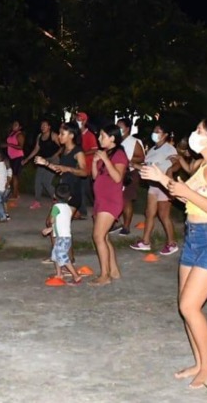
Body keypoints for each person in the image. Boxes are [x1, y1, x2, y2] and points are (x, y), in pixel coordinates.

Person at [141, 117, 207, 389]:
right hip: (194, 238)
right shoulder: (199, 165)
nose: (194, 134)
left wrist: (188, 193)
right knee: (185, 305)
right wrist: (162, 178)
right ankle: (198, 361)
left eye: (199, 131)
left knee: (189, 305)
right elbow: (185, 198)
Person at [37, 121, 87, 264]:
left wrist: (69, 169)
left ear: (71, 135)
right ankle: (57, 256)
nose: (59, 136)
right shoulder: (64, 151)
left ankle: (68, 259)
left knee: (61, 227)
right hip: (63, 193)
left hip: (72, 195)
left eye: (62, 133)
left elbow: (84, 172)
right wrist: (45, 163)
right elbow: (60, 168)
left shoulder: (78, 152)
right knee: (50, 222)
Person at [131, 123, 179, 255]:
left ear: (165, 135)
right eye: (154, 131)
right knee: (149, 213)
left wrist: (170, 171)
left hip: (164, 186)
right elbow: (147, 168)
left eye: (158, 131)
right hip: (153, 185)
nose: (155, 133)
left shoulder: (170, 149)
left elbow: (177, 164)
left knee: (164, 215)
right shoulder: (152, 150)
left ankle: (172, 243)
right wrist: (134, 165)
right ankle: (145, 242)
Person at [89, 124, 128, 286]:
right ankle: (113, 270)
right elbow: (95, 177)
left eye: (102, 136)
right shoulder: (105, 154)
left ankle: (105, 275)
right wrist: (95, 162)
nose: (99, 139)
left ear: (112, 138)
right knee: (104, 236)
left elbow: (118, 177)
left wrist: (105, 160)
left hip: (111, 200)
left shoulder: (119, 154)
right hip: (100, 200)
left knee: (97, 236)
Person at [41, 184, 82, 285]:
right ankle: (59, 274)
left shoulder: (56, 207)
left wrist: (50, 225)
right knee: (55, 255)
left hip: (62, 237)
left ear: (54, 195)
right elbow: (61, 222)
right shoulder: (68, 208)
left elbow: (52, 220)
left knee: (61, 255)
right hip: (65, 236)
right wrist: (50, 229)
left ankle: (76, 276)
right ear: (69, 197)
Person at [22, 119, 61, 208]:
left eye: (45, 125)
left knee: (46, 182)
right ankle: (37, 201)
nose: (42, 127)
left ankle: (57, 199)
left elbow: (62, 147)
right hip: (43, 160)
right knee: (38, 180)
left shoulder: (53, 135)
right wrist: (27, 159)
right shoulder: (39, 136)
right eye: (42, 125)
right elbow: (36, 149)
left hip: (53, 160)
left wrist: (56, 154)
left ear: (49, 127)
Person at [116, 117, 145, 236]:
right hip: (118, 172)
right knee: (118, 199)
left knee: (126, 200)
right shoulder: (117, 141)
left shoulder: (134, 142)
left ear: (127, 129)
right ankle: (119, 223)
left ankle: (126, 226)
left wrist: (127, 159)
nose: (118, 129)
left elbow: (142, 157)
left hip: (129, 174)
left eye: (120, 127)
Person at [76, 111, 98, 219]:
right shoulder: (76, 134)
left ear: (85, 121)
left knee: (86, 190)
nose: (77, 121)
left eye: (79, 119)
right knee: (80, 189)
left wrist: (82, 154)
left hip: (87, 166)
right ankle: (82, 211)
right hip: (78, 165)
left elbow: (94, 150)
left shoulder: (90, 135)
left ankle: (97, 209)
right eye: (77, 119)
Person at [2, 120, 26, 200]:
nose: (14, 125)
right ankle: (16, 192)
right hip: (11, 157)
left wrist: (9, 144)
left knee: (14, 175)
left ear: (20, 127)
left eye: (16, 124)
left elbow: (21, 147)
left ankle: (15, 194)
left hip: (18, 157)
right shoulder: (12, 133)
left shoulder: (19, 134)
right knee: (12, 175)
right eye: (13, 124)